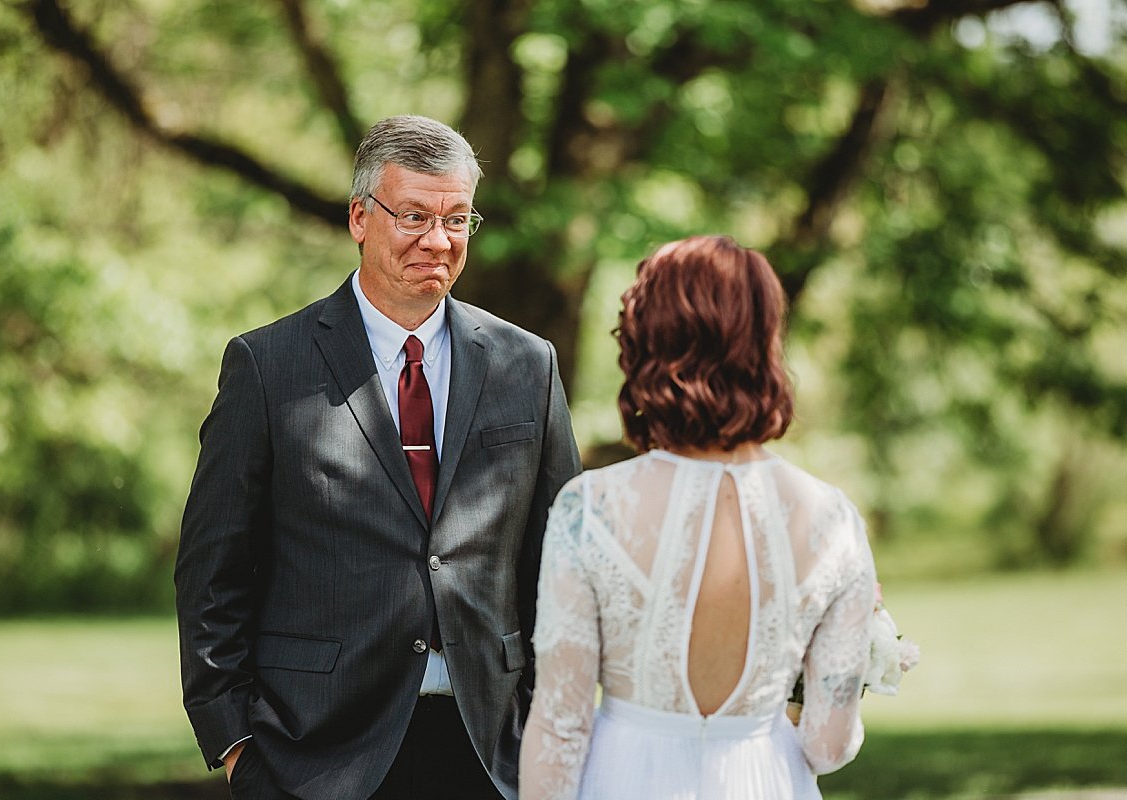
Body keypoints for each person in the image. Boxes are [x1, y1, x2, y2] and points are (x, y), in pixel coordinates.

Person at [175, 114, 582, 800]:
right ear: (360, 217)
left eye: (457, 219)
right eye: (415, 216)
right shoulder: (269, 367)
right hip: (318, 756)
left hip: (494, 751)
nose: (438, 240)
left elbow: (562, 562)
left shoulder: (527, 365)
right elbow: (212, 569)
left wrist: (552, 727)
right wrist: (237, 744)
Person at [519, 235, 878, 799]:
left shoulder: (592, 508)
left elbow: (561, 729)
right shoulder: (831, 520)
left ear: (646, 344)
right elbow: (828, 748)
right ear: (765, 344)